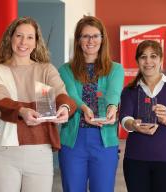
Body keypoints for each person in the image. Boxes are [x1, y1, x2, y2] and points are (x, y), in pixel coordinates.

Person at [0, 16, 76, 192]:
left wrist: (64, 108)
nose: (23, 42)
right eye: (18, 36)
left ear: (36, 42)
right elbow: (1, 102)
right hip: (3, 151)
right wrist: (22, 110)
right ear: (10, 38)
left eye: (29, 37)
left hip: (40, 151)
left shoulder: (46, 69)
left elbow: (61, 94)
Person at [58, 16, 124, 192]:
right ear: (78, 40)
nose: (90, 41)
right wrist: (85, 108)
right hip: (74, 140)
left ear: (102, 39)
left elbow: (114, 92)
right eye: (85, 36)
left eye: (95, 36)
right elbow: (71, 94)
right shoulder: (65, 69)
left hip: (104, 141)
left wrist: (112, 107)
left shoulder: (116, 69)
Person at [119, 40, 166, 192]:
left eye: (153, 56)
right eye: (143, 57)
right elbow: (124, 119)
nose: (148, 61)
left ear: (161, 60)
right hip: (136, 159)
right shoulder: (129, 91)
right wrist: (133, 124)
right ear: (138, 61)